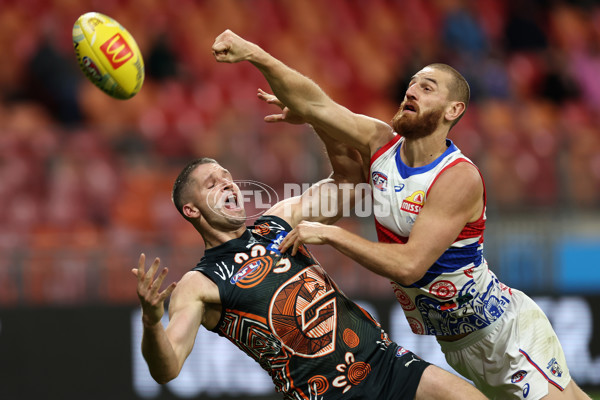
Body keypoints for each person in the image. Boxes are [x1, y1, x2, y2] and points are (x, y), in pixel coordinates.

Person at [211, 30, 592, 400]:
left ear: (453, 110)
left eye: (427, 88)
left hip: (505, 332)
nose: (411, 91)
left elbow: (410, 265)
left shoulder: (458, 177)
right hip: (458, 344)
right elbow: (317, 104)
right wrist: (255, 55)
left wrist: (329, 234)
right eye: (412, 84)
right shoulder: (380, 142)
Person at [131, 121, 486, 399]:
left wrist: (315, 120)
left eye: (227, 177)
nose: (228, 184)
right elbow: (168, 368)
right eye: (212, 184)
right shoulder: (199, 283)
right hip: (326, 395)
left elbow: (349, 186)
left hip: (385, 363)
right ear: (191, 210)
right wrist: (150, 323)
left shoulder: (278, 221)